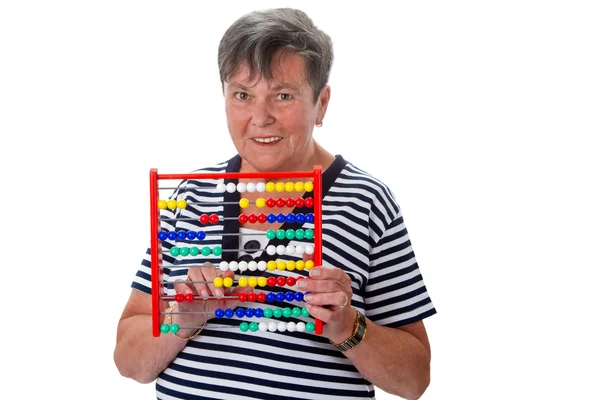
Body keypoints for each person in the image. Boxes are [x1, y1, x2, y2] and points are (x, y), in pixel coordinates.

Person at [114, 8, 436, 400]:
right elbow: (128, 362)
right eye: (242, 95)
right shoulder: (190, 195)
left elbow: (415, 379)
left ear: (321, 104)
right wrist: (180, 321)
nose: (260, 117)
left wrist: (347, 326)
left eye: (283, 96)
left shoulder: (366, 202)